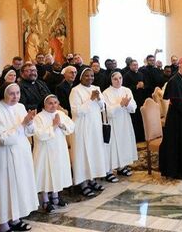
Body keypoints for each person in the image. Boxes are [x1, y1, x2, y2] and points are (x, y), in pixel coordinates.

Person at [0, 83, 39, 232]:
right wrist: (22, 124)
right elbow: (3, 138)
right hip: (3, 157)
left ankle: (15, 218)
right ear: (3, 94)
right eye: (11, 93)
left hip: (21, 154)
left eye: (18, 93)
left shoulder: (20, 107)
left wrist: (29, 122)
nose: (15, 97)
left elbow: (29, 132)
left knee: (18, 186)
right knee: (4, 189)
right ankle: (3, 226)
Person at [33, 95, 74, 213]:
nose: (53, 105)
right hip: (44, 151)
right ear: (44, 105)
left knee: (57, 173)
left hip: (59, 149)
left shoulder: (60, 114)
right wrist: (54, 126)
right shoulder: (38, 117)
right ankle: (45, 200)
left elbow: (71, 127)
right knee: (45, 174)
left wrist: (61, 125)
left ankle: (55, 197)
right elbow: (39, 135)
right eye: (50, 103)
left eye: (55, 103)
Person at [69, 68, 107, 197]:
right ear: (81, 77)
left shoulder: (96, 88)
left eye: (91, 76)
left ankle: (92, 179)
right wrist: (91, 99)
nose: (90, 78)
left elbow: (102, 107)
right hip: (82, 127)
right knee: (83, 155)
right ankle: (83, 183)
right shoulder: (75, 91)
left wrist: (98, 99)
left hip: (95, 126)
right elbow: (77, 112)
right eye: (86, 76)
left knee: (94, 152)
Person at [102, 72, 138, 182]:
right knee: (112, 147)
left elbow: (134, 107)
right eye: (115, 79)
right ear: (111, 80)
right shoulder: (106, 93)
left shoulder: (126, 90)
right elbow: (108, 112)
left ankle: (122, 166)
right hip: (113, 124)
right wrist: (120, 105)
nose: (118, 81)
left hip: (125, 122)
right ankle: (108, 171)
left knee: (124, 144)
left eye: (120, 78)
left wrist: (127, 105)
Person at [122, 59, 147, 142]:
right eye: (133, 65)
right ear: (130, 66)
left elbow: (145, 85)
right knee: (135, 119)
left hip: (141, 99)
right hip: (132, 100)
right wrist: (136, 86)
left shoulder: (141, 74)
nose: (135, 66)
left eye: (136, 65)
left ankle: (142, 137)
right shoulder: (126, 76)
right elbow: (125, 88)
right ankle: (135, 138)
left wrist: (143, 86)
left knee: (141, 118)